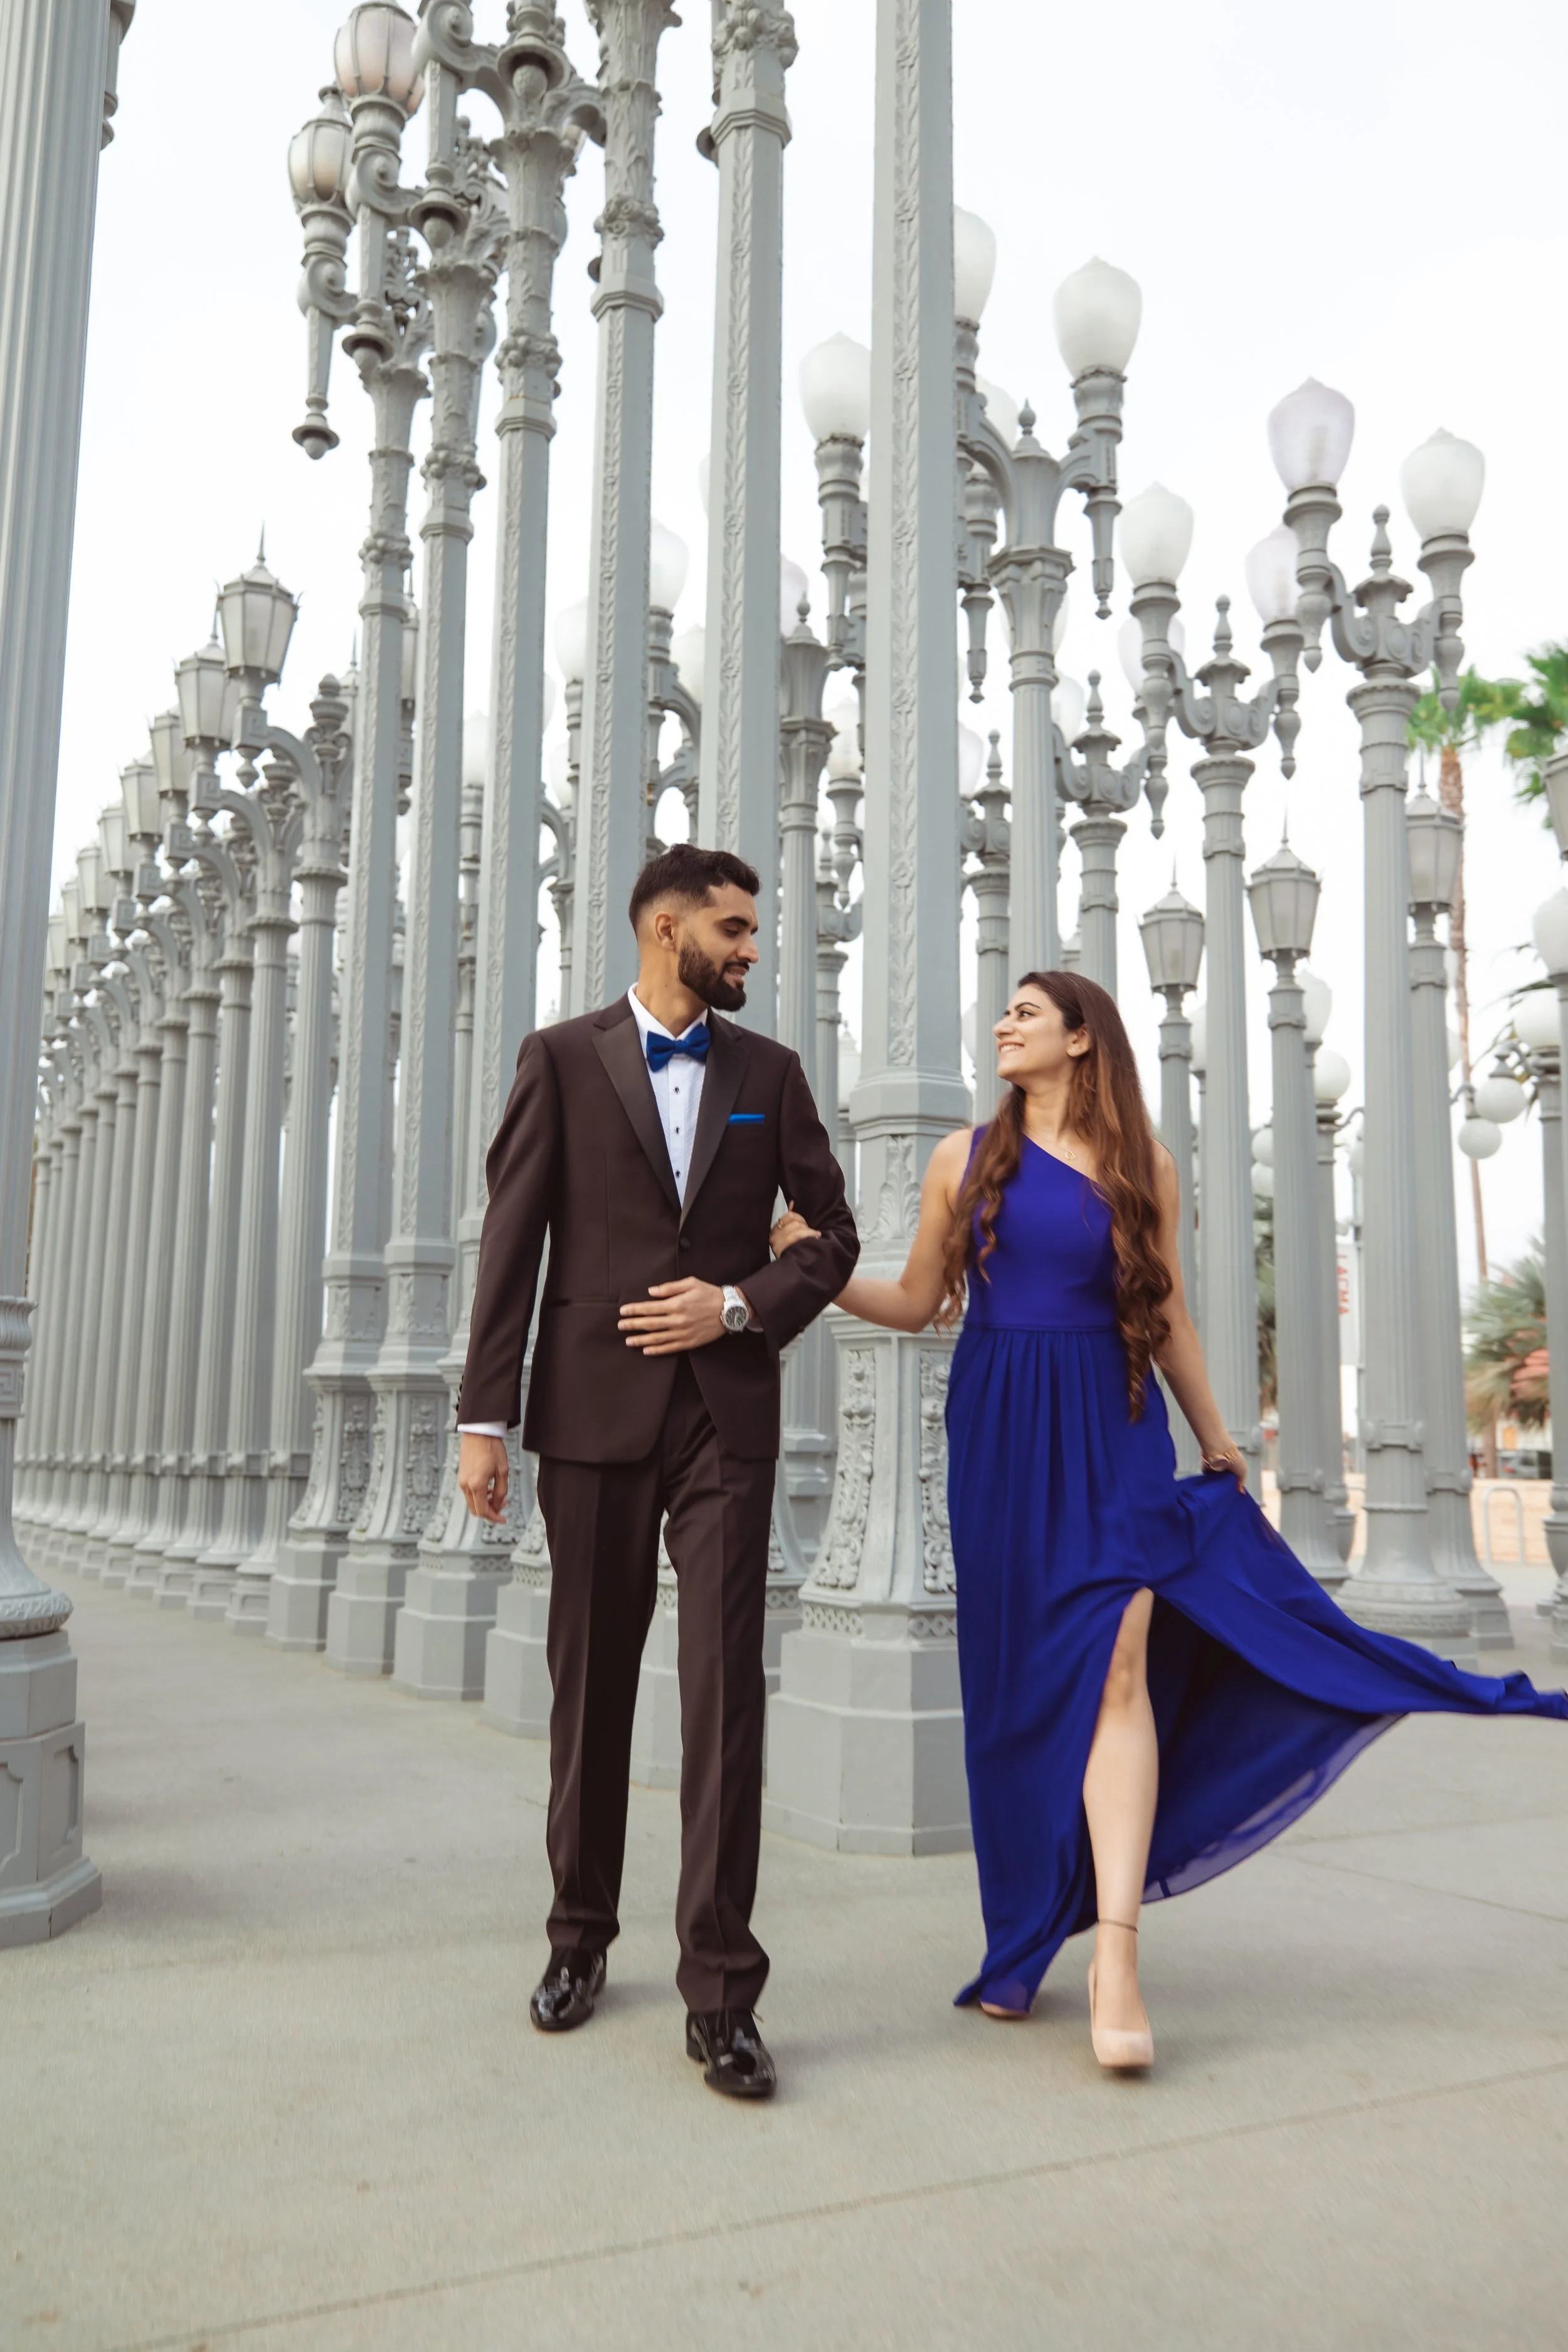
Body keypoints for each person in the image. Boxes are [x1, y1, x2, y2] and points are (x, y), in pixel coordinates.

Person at [770, 969, 1567, 2071]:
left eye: (1027, 1014)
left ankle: (1120, 1960)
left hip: (1114, 1428)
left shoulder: (1146, 1165)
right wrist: (810, 1269)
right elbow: (915, 1303)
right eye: (1004, 1014)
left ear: (1083, 1039)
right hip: (1002, 1433)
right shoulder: (968, 1158)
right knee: (1014, 1693)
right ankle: (1025, 1933)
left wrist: (1219, 1438)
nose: (1004, 1025)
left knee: (1123, 1659)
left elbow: (1169, 1312)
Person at [455, 844, 858, 2102]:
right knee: (590, 1694)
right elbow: (512, 1240)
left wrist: (738, 1304)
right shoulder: (560, 1059)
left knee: (724, 1696)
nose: (750, 952)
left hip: (721, 1420)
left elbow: (834, 1236)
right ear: (664, 926)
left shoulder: (768, 1075)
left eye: (752, 935)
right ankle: (577, 1942)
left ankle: (722, 1995)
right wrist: (481, 1417)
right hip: (585, 1413)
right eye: (732, 931)